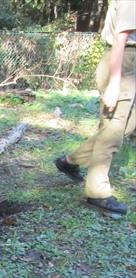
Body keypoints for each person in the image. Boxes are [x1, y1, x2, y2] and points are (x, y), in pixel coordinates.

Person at [53, 0, 134, 216]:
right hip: (123, 62)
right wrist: (114, 85)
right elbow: (120, 39)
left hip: (131, 64)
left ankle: (70, 161)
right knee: (113, 132)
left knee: (124, 128)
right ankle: (98, 193)